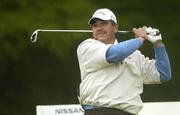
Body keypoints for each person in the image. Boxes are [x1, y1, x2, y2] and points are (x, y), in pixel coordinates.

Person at [77, 8, 171, 115]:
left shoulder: (135, 55)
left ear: (115, 28)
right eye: (95, 25)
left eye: (103, 23)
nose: (99, 28)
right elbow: (114, 54)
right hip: (97, 111)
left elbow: (163, 74)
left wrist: (158, 43)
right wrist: (140, 39)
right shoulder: (87, 47)